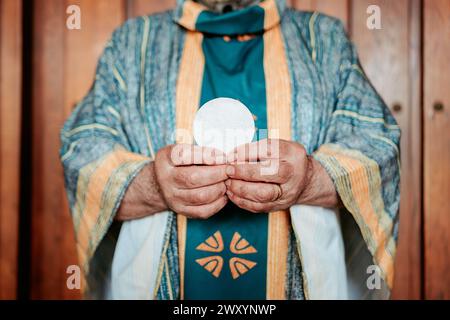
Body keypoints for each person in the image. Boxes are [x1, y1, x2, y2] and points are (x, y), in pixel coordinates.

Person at [60, 0, 400, 300]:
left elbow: (376, 144)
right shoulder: (134, 43)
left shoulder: (323, 40)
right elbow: (83, 148)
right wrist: (152, 185)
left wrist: (311, 179)